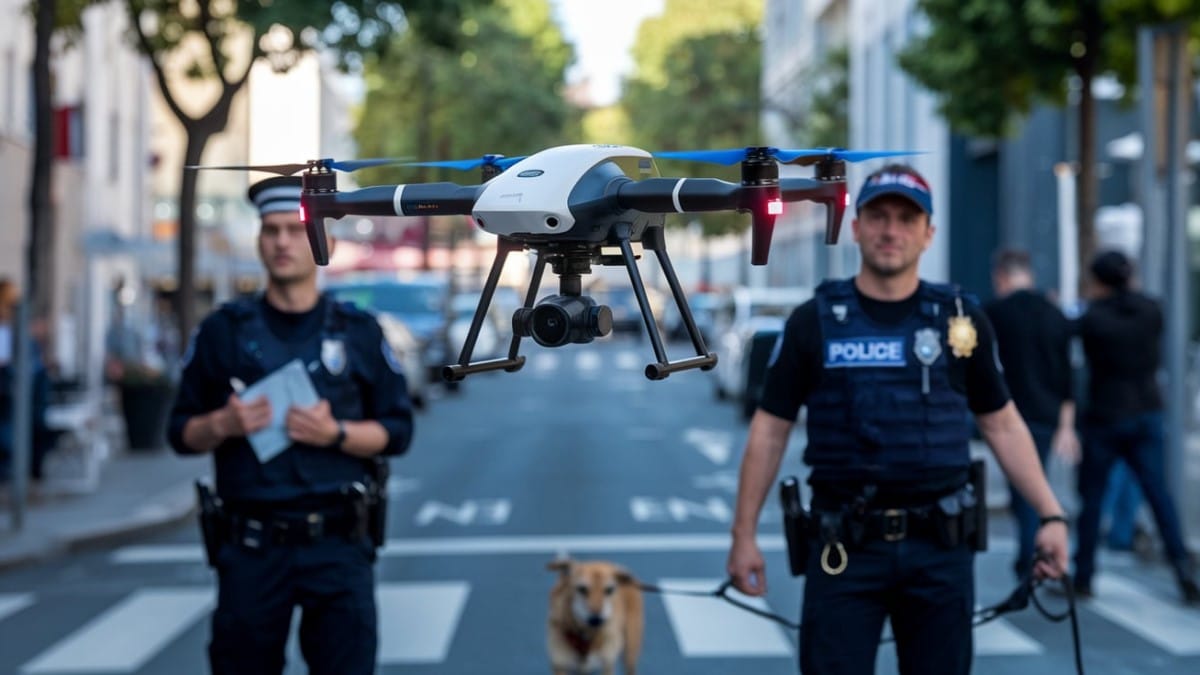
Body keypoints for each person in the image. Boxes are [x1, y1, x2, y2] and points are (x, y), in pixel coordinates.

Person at [725, 165, 1070, 675]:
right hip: (843, 548)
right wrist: (743, 535)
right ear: (857, 227)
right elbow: (770, 430)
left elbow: (1001, 423)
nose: (892, 230)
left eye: (907, 219)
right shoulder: (813, 320)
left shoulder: (959, 318)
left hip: (939, 548)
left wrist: (1051, 515)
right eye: (880, 216)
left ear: (928, 234)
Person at [168, 175, 415, 674]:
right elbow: (180, 432)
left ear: (323, 242)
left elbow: (398, 431)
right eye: (271, 230)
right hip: (252, 549)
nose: (282, 242)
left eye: (294, 230)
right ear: (259, 240)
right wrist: (222, 423)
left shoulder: (358, 332)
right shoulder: (223, 332)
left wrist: (337, 435)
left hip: (338, 545)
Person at [1072, 249, 1199, 605]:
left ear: (1098, 281)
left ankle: (1083, 575)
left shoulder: (1093, 319)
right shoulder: (1151, 310)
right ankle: (1182, 568)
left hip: (1105, 415)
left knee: (1093, 499)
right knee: (1159, 495)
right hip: (1145, 411)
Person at [984, 248, 1080, 580]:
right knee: (1034, 481)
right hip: (1047, 413)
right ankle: (1031, 555)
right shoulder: (1055, 313)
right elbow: (1067, 374)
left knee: (1024, 487)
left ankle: (1028, 559)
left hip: (1009, 410)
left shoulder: (994, 312)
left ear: (1001, 277)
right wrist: (1067, 425)